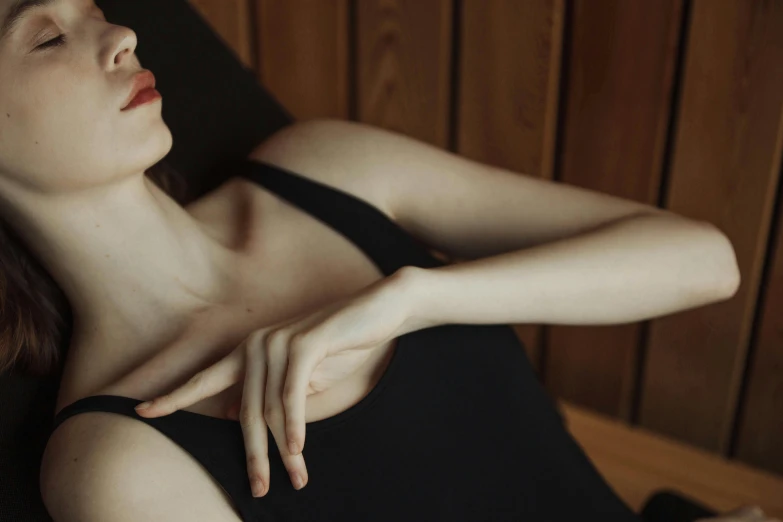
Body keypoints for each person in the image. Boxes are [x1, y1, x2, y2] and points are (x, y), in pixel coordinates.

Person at [0, 0, 761, 521]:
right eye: (46, 37)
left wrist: (415, 297)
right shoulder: (113, 464)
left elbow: (703, 261)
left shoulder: (322, 169)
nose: (121, 36)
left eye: (96, 12)